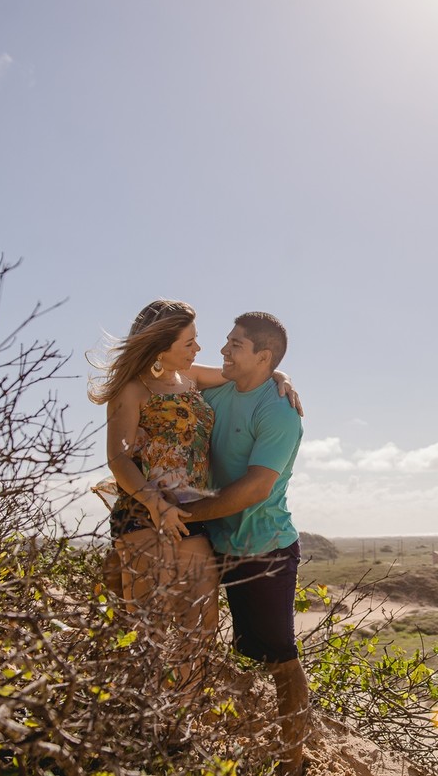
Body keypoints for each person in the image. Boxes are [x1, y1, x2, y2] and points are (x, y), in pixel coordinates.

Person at [88, 300, 300, 704]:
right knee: (148, 628)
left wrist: (283, 376)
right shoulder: (131, 389)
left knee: (200, 625)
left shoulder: (191, 378)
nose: (199, 348)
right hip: (145, 514)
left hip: (193, 514)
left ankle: (182, 718)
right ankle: (140, 719)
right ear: (160, 346)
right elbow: (117, 458)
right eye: (189, 342)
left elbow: (252, 370)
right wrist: (155, 504)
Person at [181, 312, 307, 775]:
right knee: (198, 641)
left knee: (280, 661)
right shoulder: (219, 391)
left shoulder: (279, 412)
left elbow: (255, 488)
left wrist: (184, 514)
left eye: (235, 344)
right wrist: (277, 371)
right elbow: (173, 368)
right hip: (215, 542)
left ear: (262, 355)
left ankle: (291, 763)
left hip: (264, 551)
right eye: (226, 341)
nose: (222, 350)